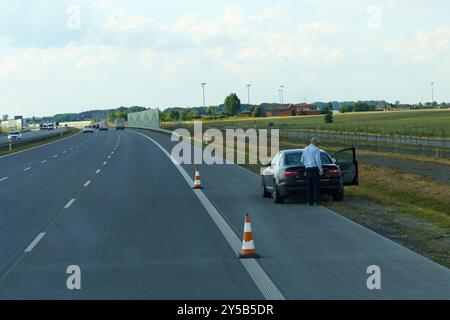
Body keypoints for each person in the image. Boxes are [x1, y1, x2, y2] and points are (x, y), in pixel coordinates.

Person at [301, 137, 324, 206]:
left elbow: (302, 160)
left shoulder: (305, 149)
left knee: (309, 186)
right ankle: (316, 202)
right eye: (318, 143)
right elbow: (318, 160)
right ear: (315, 142)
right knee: (316, 186)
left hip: (307, 169)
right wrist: (321, 169)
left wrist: (306, 164)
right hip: (314, 169)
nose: (319, 144)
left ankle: (309, 202)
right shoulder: (316, 149)